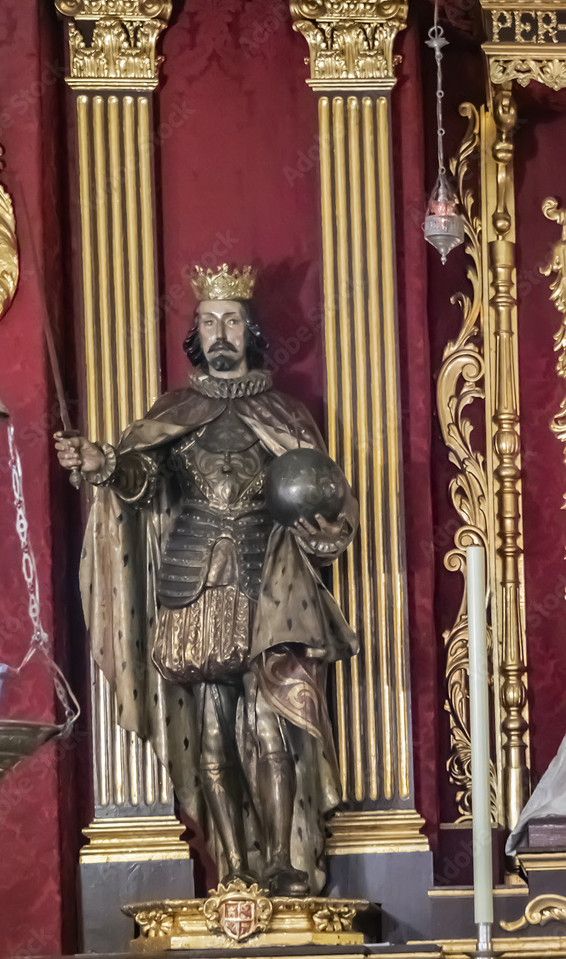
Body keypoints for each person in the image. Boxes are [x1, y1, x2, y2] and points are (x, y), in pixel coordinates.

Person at [55, 264, 359, 895]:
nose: (221, 333)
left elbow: (315, 495)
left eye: (232, 321)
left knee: (271, 726)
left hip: (264, 582)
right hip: (190, 578)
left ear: (251, 331)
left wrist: (326, 532)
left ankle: (281, 860)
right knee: (215, 736)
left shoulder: (284, 412)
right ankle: (236, 867)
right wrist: (105, 464)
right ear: (196, 334)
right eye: (209, 322)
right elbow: (143, 485)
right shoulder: (174, 410)